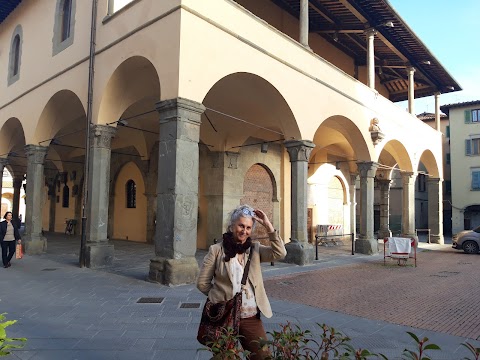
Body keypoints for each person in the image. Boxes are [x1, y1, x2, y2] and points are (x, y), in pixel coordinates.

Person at [197, 205, 287, 359]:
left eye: (248, 227)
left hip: (250, 316)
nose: (244, 231)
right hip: (224, 316)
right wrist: (220, 297)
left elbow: (280, 253)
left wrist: (268, 226)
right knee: (226, 357)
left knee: (263, 356)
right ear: (232, 226)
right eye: (241, 226)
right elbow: (202, 283)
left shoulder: (255, 249)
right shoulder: (216, 250)